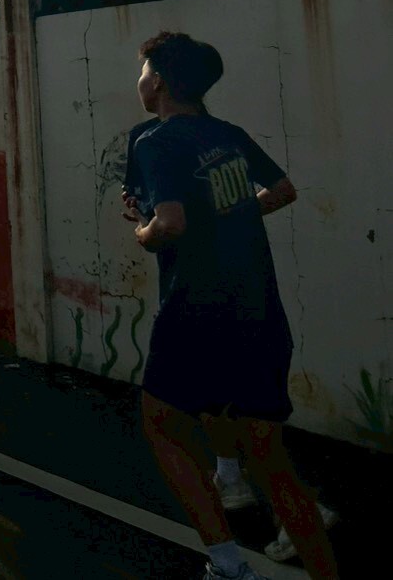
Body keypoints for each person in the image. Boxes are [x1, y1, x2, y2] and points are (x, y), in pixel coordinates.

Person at [128, 32, 338, 580]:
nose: (140, 80)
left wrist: (145, 233)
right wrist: (229, 215)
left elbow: (170, 223)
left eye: (143, 71)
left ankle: (226, 563)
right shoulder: (229, 134)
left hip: (196, 310)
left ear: (160, 82)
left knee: (162, 426)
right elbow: (283, 190)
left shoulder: (155, 141)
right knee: (271, 459)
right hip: (259, 309)